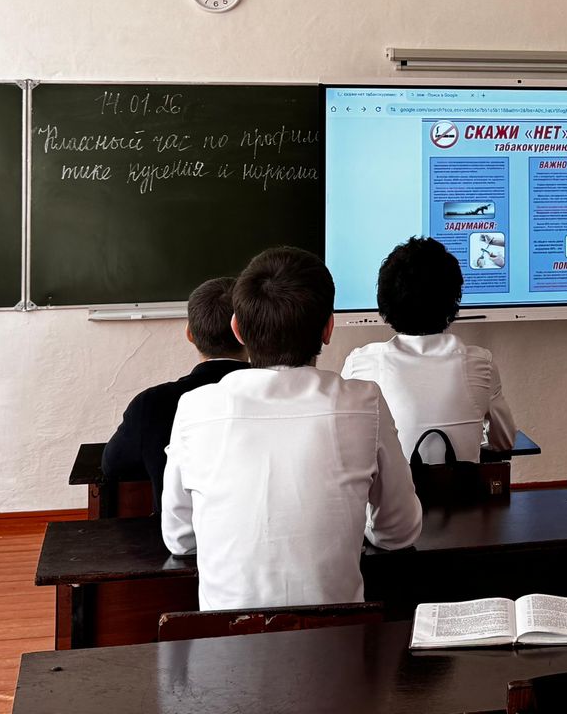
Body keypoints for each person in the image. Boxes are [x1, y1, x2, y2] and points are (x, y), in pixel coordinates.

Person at [161, 246, 422, 611]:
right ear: (328, 328)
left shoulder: (194, 408)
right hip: (338, 639)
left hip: (225, 643)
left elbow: (179, 539)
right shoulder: (364, 401)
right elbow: (399, 532)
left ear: (237, 329)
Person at [341, 236, 518, 464]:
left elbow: (346, 445)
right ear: (453, 300)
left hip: (386, 488)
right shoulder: (480, 364)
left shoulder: (360, 364)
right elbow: (504, 442)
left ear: (385, 301)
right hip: (460, 487)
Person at [101, 276, 248, 513]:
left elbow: (113, 466)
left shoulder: (151, 404)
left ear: (189, 333)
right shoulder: (284, 396)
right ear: (246, 332)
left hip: (178, 534)